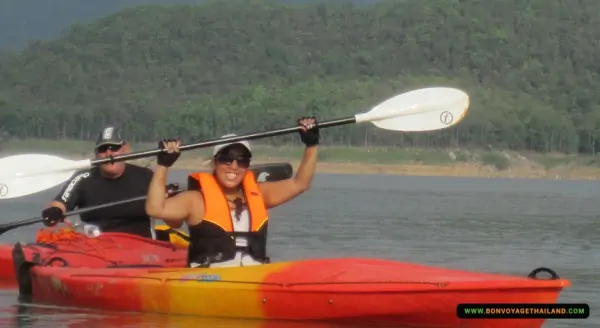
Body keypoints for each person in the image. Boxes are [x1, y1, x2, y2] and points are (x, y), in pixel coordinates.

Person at [145, 117, 319, 268]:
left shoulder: (259, 194)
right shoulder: (195, 200)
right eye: (226, 159)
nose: (233, 166)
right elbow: (155, 209)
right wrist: (163, 165)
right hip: (210, 278)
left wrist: (311, 145)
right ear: (215, 162)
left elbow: (300, 184)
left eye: (242, 161)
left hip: (253, 275)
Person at [41, 125, 181, 238]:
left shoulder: (146, 176)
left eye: (114, 148)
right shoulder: (83, 178)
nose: (109, 153)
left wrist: (170, 201)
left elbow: (175, 223)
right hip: (97, 250)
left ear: (125, 149)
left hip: (141, 249)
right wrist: (53, 212)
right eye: (103, 149)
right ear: (96, 154)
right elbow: (60, 203)